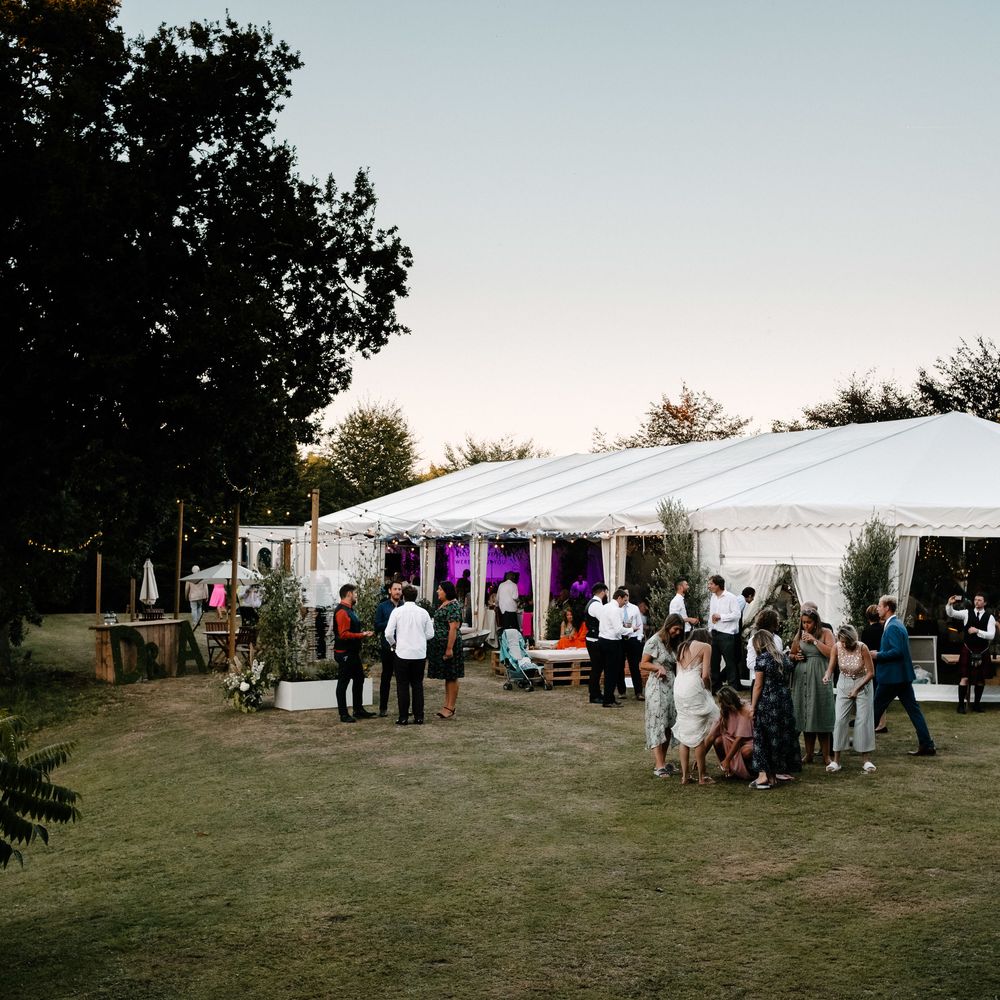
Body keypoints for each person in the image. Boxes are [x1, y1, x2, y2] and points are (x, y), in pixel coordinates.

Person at [871, 595, 936, 756]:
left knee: (874, 710)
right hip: (902, 676)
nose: (877, 608)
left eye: (879, 606)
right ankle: (927, 744)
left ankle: (860, 742)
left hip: (891, 677)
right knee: (914, 711)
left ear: (887, 608)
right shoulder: (897, 624)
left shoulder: (892, 627)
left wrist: (877, 655)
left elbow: (897, 651)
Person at [749, 630, 801, 789]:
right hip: (784, 700)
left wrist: (753, 707)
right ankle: (773, 776)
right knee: (778, 736)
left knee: (763, 736)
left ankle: (764, 775)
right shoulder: (783, 658)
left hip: (768, 700)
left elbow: (758, 685)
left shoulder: (762, 659)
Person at [823, 624, 876, 774]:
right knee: (840, 719)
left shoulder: (862, 648)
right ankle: (836, 761)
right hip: (844, 683)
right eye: (842, 641)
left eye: (846, 642)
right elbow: (831, 667)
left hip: (863, 683)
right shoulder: (837, 647)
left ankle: (866, 760)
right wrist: (827, 675)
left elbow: (871, 673)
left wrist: (856, 688)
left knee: (863, 720)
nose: (844, 644)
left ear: (853, 640)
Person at [673, 627, 720, 785]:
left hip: (679, 686)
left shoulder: (682, 647)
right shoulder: (706, 647)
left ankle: (685, 776)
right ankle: (702, 776)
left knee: (684, 732)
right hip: (693, 687)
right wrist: (707, 688)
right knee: (699, 733)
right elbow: (705, 674)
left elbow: (678, 669)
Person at [789, 608, 836, 766]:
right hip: (802, 677)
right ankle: (808, 754)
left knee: (821, 713)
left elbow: (832, 653)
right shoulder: (799, 634)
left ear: (816, 622)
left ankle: (826, 755)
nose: (805, 625)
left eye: (808, 622)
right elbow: (791, 653)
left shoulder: (826, 632)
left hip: (820, 676)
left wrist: (814, 641)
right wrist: (796, 656)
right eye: (803, 622)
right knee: (805, 715)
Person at [384, 584, 435, 725]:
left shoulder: (397, 612)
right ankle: (419, 716)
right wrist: (419, 638)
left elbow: (388, 633)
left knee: (402, 685)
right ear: (416, 597)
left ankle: (403, 717)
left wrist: (393, 643)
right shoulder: (424, 612)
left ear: (403, 596)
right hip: (419, 653)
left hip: (402, 653)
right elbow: (431, 634)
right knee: (418, 685)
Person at [642, 614, 684, 778]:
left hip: (671, 685)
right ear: (668, 626)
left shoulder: (673, 644)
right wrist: (657, 668)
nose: (677, 632)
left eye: (680, 630)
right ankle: (658, 765)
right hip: (656, 686)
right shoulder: (654, 641)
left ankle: (663, 761)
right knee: (657, 722)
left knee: (668, 722)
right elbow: (643, 663)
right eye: (675, 629)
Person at [332, 584, 376, 723]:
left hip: (352, 652)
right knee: (343, 683)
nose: (357, 596)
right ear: (349, 594)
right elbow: (343, 634)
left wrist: (361, 634)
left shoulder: (350, 610)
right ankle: (343, 714)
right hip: (344, 652)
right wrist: (362, 634)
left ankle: (358, 709)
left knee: (359, 679)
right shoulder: (342, 612)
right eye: (355, 593)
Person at [946, 593, 995, 714]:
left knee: (980, 679)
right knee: (964, 677)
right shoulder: (966, 613)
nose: (977, 602)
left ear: (985, 603)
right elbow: (951, 614)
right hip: (968, 648)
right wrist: (949, 604)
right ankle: (961, 705)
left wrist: (977, 631)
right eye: (975, 599)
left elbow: (991, 635)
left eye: (980, 600)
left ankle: (977, 705)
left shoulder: (990, 617)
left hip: (983, 649)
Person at [428, 581, 465, 719]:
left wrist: (449, 648)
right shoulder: (445, 604)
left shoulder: (453, 606)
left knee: (452, 675)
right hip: (441, 644)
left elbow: (453, 628)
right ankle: (447, 704)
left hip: (451, 645)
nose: (437, 591)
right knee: (448, 676)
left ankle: (450, 707)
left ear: (447, 591)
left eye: (440, 589)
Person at [708, 685, 754, 781]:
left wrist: (728, 759)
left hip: (747, 740)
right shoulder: (724, 711)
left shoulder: (745, 710)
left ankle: (750, 770)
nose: (719, 703)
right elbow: (711, 736)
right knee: (717, 741)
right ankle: (727, 768)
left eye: (721, 701)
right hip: (731, 739)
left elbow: (739, 739)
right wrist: (700, 757)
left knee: (746, 752)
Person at [374, 580, 403, 718]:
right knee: (386, 678)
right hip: (387, 647)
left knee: (402, 679)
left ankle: (403, 707)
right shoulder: (382, 607)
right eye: (395, 589)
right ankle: (383, 708)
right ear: (390, 591)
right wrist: (393, 620)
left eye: (400, 589)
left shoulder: (405, 606)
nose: (398, 591)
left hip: (403, 648)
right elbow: (377, 626)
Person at [707, 575, 741, 690]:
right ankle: (716, 688)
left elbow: (737, 615)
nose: (709, 586)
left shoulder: (731, 597)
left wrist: (721, 616)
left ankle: (732, 688)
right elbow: (711, 615)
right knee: (714, 662)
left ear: (718, 585)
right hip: (714, 633)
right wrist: (709, 630)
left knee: (730, 662)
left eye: (711, 584)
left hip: (727, 634)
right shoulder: (712, 598)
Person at [861, 604, 888, 733]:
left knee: (872, 694)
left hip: (871, 663)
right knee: (880, 694)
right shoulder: (884, 629)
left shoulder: (867, 631)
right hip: (882, 662)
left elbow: (863, 650)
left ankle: (877, 723)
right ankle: (881, 722)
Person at [745, 608, 784, 688]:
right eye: (776, 621)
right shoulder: (754, 640)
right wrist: (767, 667)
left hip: (775, 681)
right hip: (759, 680)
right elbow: (750, 663)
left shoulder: (777, 639)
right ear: (771, 623)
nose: (778, 623)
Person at [585, 583, 609, 705]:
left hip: (592, 639)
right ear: (603, 592)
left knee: (597, 668)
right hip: (594, 640)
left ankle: (596, 693)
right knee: (597, 668)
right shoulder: (596, 605)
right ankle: (594, 695)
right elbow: (604, 620)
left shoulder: (593, 603)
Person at [621, 589, 645, 701]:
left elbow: (639, 624)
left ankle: (639, 692)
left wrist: (639, 638)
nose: (626, 597)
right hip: (620, 639)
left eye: (628, 594)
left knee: (634, 667)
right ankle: (622, 691)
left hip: (633, 639)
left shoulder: (634, 608)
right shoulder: (616, 609)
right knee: (619, 666)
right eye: (624, 595)